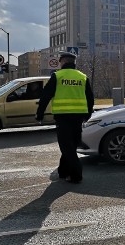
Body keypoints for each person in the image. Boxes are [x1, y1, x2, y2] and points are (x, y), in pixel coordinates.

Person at [36, 52, 94, 183]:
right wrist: (88, 114)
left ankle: (76, 175)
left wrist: (39, 114)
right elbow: (90, 98)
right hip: (79, 117)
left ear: (62, 62)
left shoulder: (57, 76)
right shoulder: (82, 77)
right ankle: (63, 171)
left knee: (66, 146)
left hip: (63, 117)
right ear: (73, 63)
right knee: (71, 145)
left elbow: (45, 96)